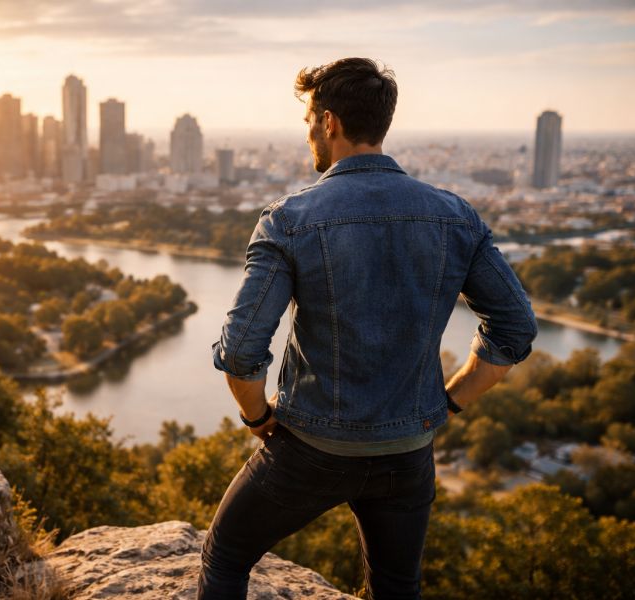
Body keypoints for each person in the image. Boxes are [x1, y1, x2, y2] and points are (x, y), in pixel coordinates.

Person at [198, 58, 538, 600]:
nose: (309, 132)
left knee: (227, 554)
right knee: (395, 586)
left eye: (310, 120)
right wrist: (446, 404)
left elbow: (241, 350)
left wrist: (257, 416)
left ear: (329, 123)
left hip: (309, 448)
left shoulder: (290, 220)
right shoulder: (454, 216)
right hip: (407, 453)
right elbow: (515, 330)